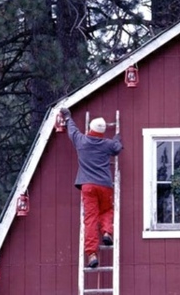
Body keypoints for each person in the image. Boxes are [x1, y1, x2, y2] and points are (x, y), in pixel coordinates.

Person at [60, 108, 122, 268]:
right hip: (105, 185)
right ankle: (107, 232)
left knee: (91, 219)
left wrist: (68, 117)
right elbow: (117, 148)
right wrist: (116, 138)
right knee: (107, 210)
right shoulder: (107, 144)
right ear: (102, 132)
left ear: (90, 129)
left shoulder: (82, 141)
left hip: (88, 186)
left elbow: (72, 131)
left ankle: (92, 254)